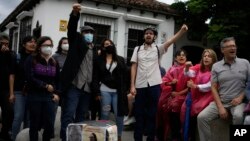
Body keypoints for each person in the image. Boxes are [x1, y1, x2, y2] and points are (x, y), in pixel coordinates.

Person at [130, 24, 188, 141]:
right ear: (144, 36)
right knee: (139, 114)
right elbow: (134, 66)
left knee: (152, 114)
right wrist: (132, 85)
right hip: (140, 85)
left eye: (151, 33)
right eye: (147, 33)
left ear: (154, 37)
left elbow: (171, 40)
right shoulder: (137, 49)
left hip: (154, 85)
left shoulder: (158, 48)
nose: (148, 35)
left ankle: (151, 138)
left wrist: (181, 31)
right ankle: (137, 139)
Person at [197, 37, 250, 141]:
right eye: (229, 46)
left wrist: (240, 98)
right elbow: (213, 87)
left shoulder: (245, 63)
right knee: (201, 118)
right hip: (221, 101)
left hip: (238, 102)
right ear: (222, 50)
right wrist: (220, 106)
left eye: (234, 46)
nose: (233, 48)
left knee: (239, 116)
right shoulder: (216, 66)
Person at [60, 3, 98, 141]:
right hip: (74, 87)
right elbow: (71, 29)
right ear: (81, 34)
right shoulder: (76, 43)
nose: (89, 34)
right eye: (86, 32)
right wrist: (74, 14)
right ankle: (65, 139)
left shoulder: (94, 50)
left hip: (87, 89)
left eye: (91, 33)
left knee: (82, 118)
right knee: (69, 115)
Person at [24, 36, 60, 141]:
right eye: (46, 45)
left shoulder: (54, 62)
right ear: (39, 47)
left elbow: (57, 80)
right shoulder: (31, 59)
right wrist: (45, 85)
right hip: (34, 96)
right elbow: (29, 77)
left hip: (49, 97)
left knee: (49, 124)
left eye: (50, 45)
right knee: (35, 124)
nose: (48, 47)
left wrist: (57, 93)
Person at [92, 38, 128, 141]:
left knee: (119, 114)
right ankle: (104, 135)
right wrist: (97, 92)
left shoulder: (120, 59)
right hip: (104, 91)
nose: (109, 46)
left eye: (110, 44)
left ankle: (119, 136)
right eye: (106, 44)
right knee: (104, 114)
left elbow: (125, 75)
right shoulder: (99, 60)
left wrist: (126, 89)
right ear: (103, 47)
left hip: (118, 92)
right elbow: (95, 77)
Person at [181, 49, 217, 141]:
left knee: (195, 112)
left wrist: (195, 86)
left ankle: (191, 137)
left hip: (207, 97)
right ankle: (186, 135)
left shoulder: (215, 70)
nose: (206, 58)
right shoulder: (199, 67)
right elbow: (188, 74)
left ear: (213, 59)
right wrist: (187, 67)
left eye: (209, 56)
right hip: (195, 96)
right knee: (184, 110)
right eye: (205, 56)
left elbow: (209, 86)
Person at [156, 49, 189, 141]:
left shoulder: (189, 69)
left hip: (184, 96)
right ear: (175, 58)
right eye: (179, 55)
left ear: (186, 58)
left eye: (183, 55)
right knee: (160, 106)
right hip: (170, 94)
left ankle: (176, 136)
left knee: (174, 106)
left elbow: (191, 87)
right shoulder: (171, 68)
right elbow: (164, 81)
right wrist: (171, 83)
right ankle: (161, 135)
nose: (181, 57)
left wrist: (178, 93)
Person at [11, 36, 37, 141]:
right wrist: (11, 93)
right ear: (24, 44)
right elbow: (12, 75)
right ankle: (14, 138)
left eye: (35, 42)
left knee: (29, 119)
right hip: (19, 92)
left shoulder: (37, 58)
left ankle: (26, 138)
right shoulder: (17, 57)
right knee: (18, 116)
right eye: (30, 42)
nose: (33, 43)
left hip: (32, 92)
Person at [0, 33, 15, 141]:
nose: (5, 46)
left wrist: (11, 93)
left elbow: (12, 73)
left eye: (7, 44)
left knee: (9, 111)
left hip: (5, 88)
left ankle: (4, 133)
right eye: (2, 43)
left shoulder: (11, 54)